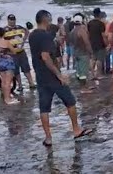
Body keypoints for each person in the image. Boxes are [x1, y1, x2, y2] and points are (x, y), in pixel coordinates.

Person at [29, 10, 92, 147]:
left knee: (44, 108)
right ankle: (76, 130)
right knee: (70, 101)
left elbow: (38, 54)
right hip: (52, 76)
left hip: (40, 76)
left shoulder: (32, 35)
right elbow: (46, 57)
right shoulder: (45, 36)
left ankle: (48, 138)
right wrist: (59, 75)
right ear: (46, 19)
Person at [4, 14, 36, 92]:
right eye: (11, 20)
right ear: (8, 20)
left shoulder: (19, 27)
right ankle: (20, 86)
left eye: (13, 20)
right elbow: (0, 40)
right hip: (11, 53)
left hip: (21, 52)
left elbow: (27, 31)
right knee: (16, 70)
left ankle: (31, 83)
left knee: (26, 68)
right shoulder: (4, 30)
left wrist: (24, 39)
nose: (12, 21)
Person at [71, 14, 94, 94]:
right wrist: (91, 52)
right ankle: (83, 88)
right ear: (81, 21)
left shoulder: (73, 31)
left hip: (76, 53)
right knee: (84, 72)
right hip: (83, 53)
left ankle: (84, 86)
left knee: (79, 71)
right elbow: (87, 42)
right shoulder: (81, 30)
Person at [0, 27, 19, 104]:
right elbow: (14, 52)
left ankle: (5, 97)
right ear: (3, 33)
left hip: (0, 62)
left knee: (3, 81)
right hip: (8, 63)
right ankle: (8, 99)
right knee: (8, 82)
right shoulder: (7, 42)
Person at [87, 8, 108, 80]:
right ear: (99, 14)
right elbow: (103, 35)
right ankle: (98, 74)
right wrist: (106, 44)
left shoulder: (89, 23)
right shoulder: (101, 24)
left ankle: (92, 74)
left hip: (92, 43)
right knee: (99, 59)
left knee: (93, 59)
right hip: (100, 43)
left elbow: (88, 33)